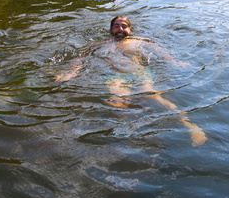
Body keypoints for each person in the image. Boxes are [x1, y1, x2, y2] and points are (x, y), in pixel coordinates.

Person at [56, 16, 207, 146]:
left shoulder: (139, 41)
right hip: (115, 76)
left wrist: (175, 62)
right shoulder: (99, 44)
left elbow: (160, 51)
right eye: (116, 26)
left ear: (130, 30)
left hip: (139, 73)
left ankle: (189, 125)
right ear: (110, 31)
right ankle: (132, 133)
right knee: (118, 100)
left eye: (124, 26)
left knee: (154, 96)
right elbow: (81, 58)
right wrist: (70, 72)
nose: (120, 29)